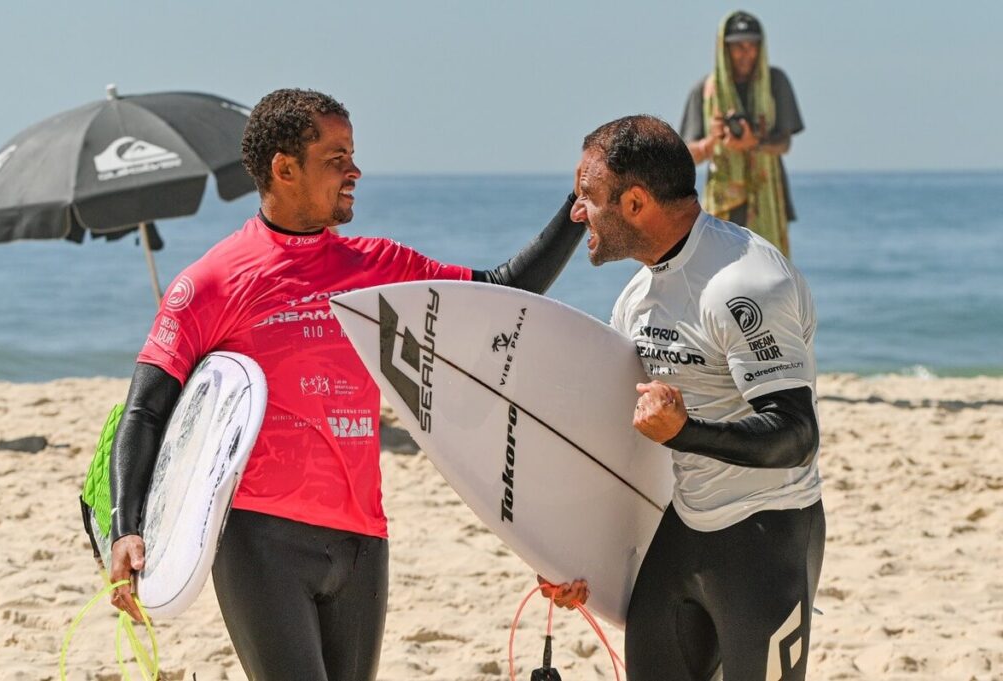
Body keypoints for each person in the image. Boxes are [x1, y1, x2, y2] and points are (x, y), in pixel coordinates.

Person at [106, 88, 586, 681]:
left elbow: (499, 293)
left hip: (362, 537)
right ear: (285, 169)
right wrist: (125, 527)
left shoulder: (378, 268)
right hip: (262, 539)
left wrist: (576, 209)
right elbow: (146, 412)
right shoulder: (211, 282)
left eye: (352, 155)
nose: (355, 170)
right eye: (336, 158)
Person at [545, 114, 824, 681]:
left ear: (636, 202)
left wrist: (685, 432)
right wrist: (573, 559)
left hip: (767, 534)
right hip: (684, 528)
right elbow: (622, 442)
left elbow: (796, 435)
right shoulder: (636, 299)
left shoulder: (744, 283)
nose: (577, 213)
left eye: (587, 197)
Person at [679, 10, 804, 257]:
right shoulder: (705, 91)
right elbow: (686, 156)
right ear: (724, 49)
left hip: (769, 196)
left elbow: (784, 143)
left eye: (752, 46)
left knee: (769, 268)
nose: (745, 54)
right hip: (724, 200)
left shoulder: (775, 82)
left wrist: (754, 142)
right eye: (738, 47)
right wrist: (712, 142)